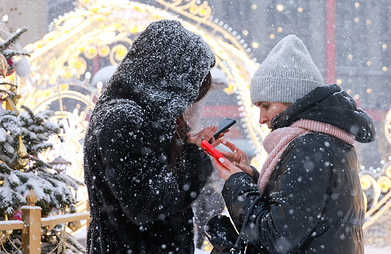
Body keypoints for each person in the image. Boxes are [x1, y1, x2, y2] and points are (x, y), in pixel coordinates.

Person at [206, 35, 375, 253]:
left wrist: (237, 184)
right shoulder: (329, 141)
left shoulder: (309, 148)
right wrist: (251, 178)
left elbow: (276, 239)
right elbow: (301, 215)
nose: (261, 118)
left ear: (292, 99)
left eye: (266, 106)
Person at [83, 19, 218, 253]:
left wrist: (189, 148)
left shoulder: (140, 113)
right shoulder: (124, 119)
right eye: (188, 92)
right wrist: (196, 160)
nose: (187, 103)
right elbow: (147, 203)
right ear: (170, 77)